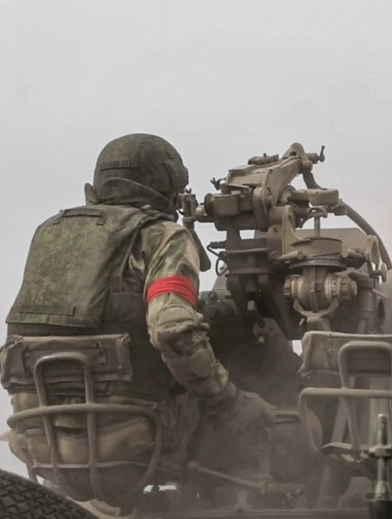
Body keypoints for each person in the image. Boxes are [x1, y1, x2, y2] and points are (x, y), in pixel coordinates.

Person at [1, 133, 274, 502]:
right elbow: (174, 331)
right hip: (134, 437)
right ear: (168, 190)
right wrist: (233, 404)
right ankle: (253, 499)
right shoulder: (162, 237)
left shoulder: (48, 233)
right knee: (250, 403)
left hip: (36, 438)